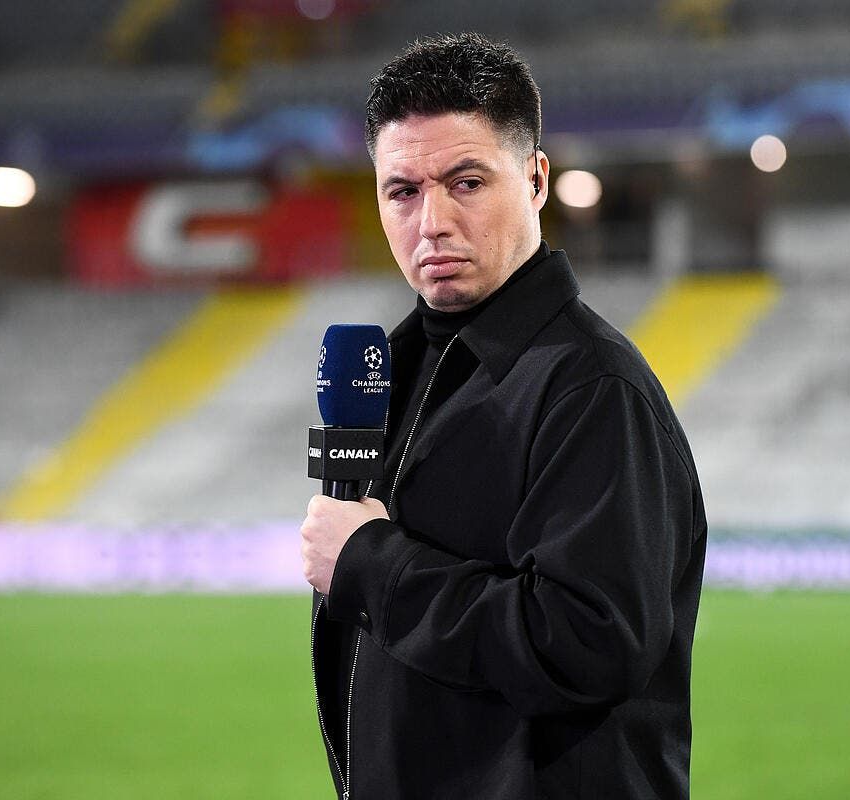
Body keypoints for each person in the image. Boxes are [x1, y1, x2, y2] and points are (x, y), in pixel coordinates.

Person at [300, 32, 706, 799]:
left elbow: (589, 644)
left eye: (466, 182)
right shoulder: (400, 369)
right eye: (402, 191)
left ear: (536, 179)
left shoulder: (593, 387)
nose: (432, 221)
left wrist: (372, 565)